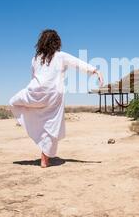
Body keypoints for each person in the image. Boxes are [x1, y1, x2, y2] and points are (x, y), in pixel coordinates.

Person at [9, 29, 103, 168]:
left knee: (13, 102)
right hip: (54, 95)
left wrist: (33, 97)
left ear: (41, 43)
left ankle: (39, 140)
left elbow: (33, 77)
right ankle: (44, 159)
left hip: (36, 92)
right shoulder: (60, 56)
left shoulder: (35, 59)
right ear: (56, 42)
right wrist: (95, 71)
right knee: (52, 124)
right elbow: (77, 63)